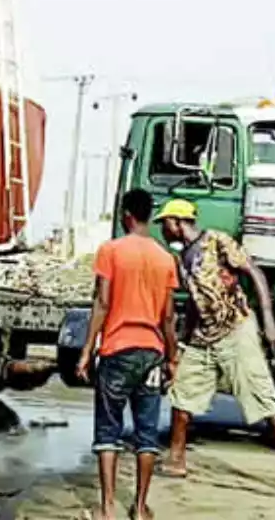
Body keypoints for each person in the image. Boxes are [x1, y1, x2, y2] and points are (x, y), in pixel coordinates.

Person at [152, 198, 275, 503]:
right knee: (182, 395)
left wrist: (268, 320)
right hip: (204, 337)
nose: (163, 230)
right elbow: (197, 303)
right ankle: (176, 460)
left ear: (177, 221)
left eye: (165, 224)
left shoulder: (216, 240)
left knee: (264, 398)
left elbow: (254, 272)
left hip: (236, 329)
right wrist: (186, 342)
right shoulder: (183, 257)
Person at [76, 189, 180, 520]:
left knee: (109, 430)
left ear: (126, 216)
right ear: (149, 216)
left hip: (117, 350)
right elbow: (168, 317)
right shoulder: (166, 259)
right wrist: (172, 357)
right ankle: (139, 507)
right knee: (146, 434)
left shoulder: (111, 251)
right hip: (152, 353)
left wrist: (86, 350)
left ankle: (107, 508)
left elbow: (102, 303)